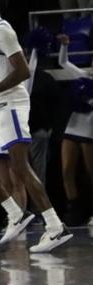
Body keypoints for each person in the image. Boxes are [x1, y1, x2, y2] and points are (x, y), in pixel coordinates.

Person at [0, 0, 71, 252]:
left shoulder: (3, 31)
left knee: (20, 167)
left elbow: (22, 71)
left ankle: (55, 227)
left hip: (11, 104)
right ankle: (16, 213)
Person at [56, 33, 93, 226]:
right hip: (73, 127)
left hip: (90, 131)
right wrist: (65, 45)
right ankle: (74, 211)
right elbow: (63, 62)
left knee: (91, 173)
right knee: (66, 171)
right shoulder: (83, 76)